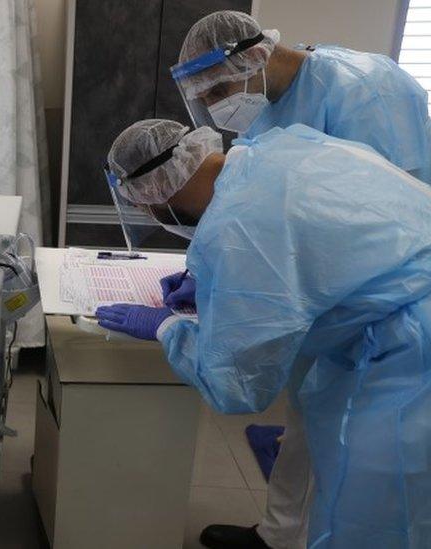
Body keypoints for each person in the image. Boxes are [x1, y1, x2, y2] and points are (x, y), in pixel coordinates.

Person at [101, 119, 431, 549]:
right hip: (390, 309)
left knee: (378, 512)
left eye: (141, 206)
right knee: (316, 438)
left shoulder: (239, 230)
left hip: (410, 355)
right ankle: (280, 537)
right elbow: (320, 245)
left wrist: (165, 326)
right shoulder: (272, 152)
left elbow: (236, 382)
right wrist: (215, 282)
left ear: (154, 196)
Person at [171, 10, 431, 183]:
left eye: (219, 91)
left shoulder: (363, 90)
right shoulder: (259, 105)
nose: (217, 108)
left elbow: (389, 200)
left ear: (255, 57)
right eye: (204, 100)